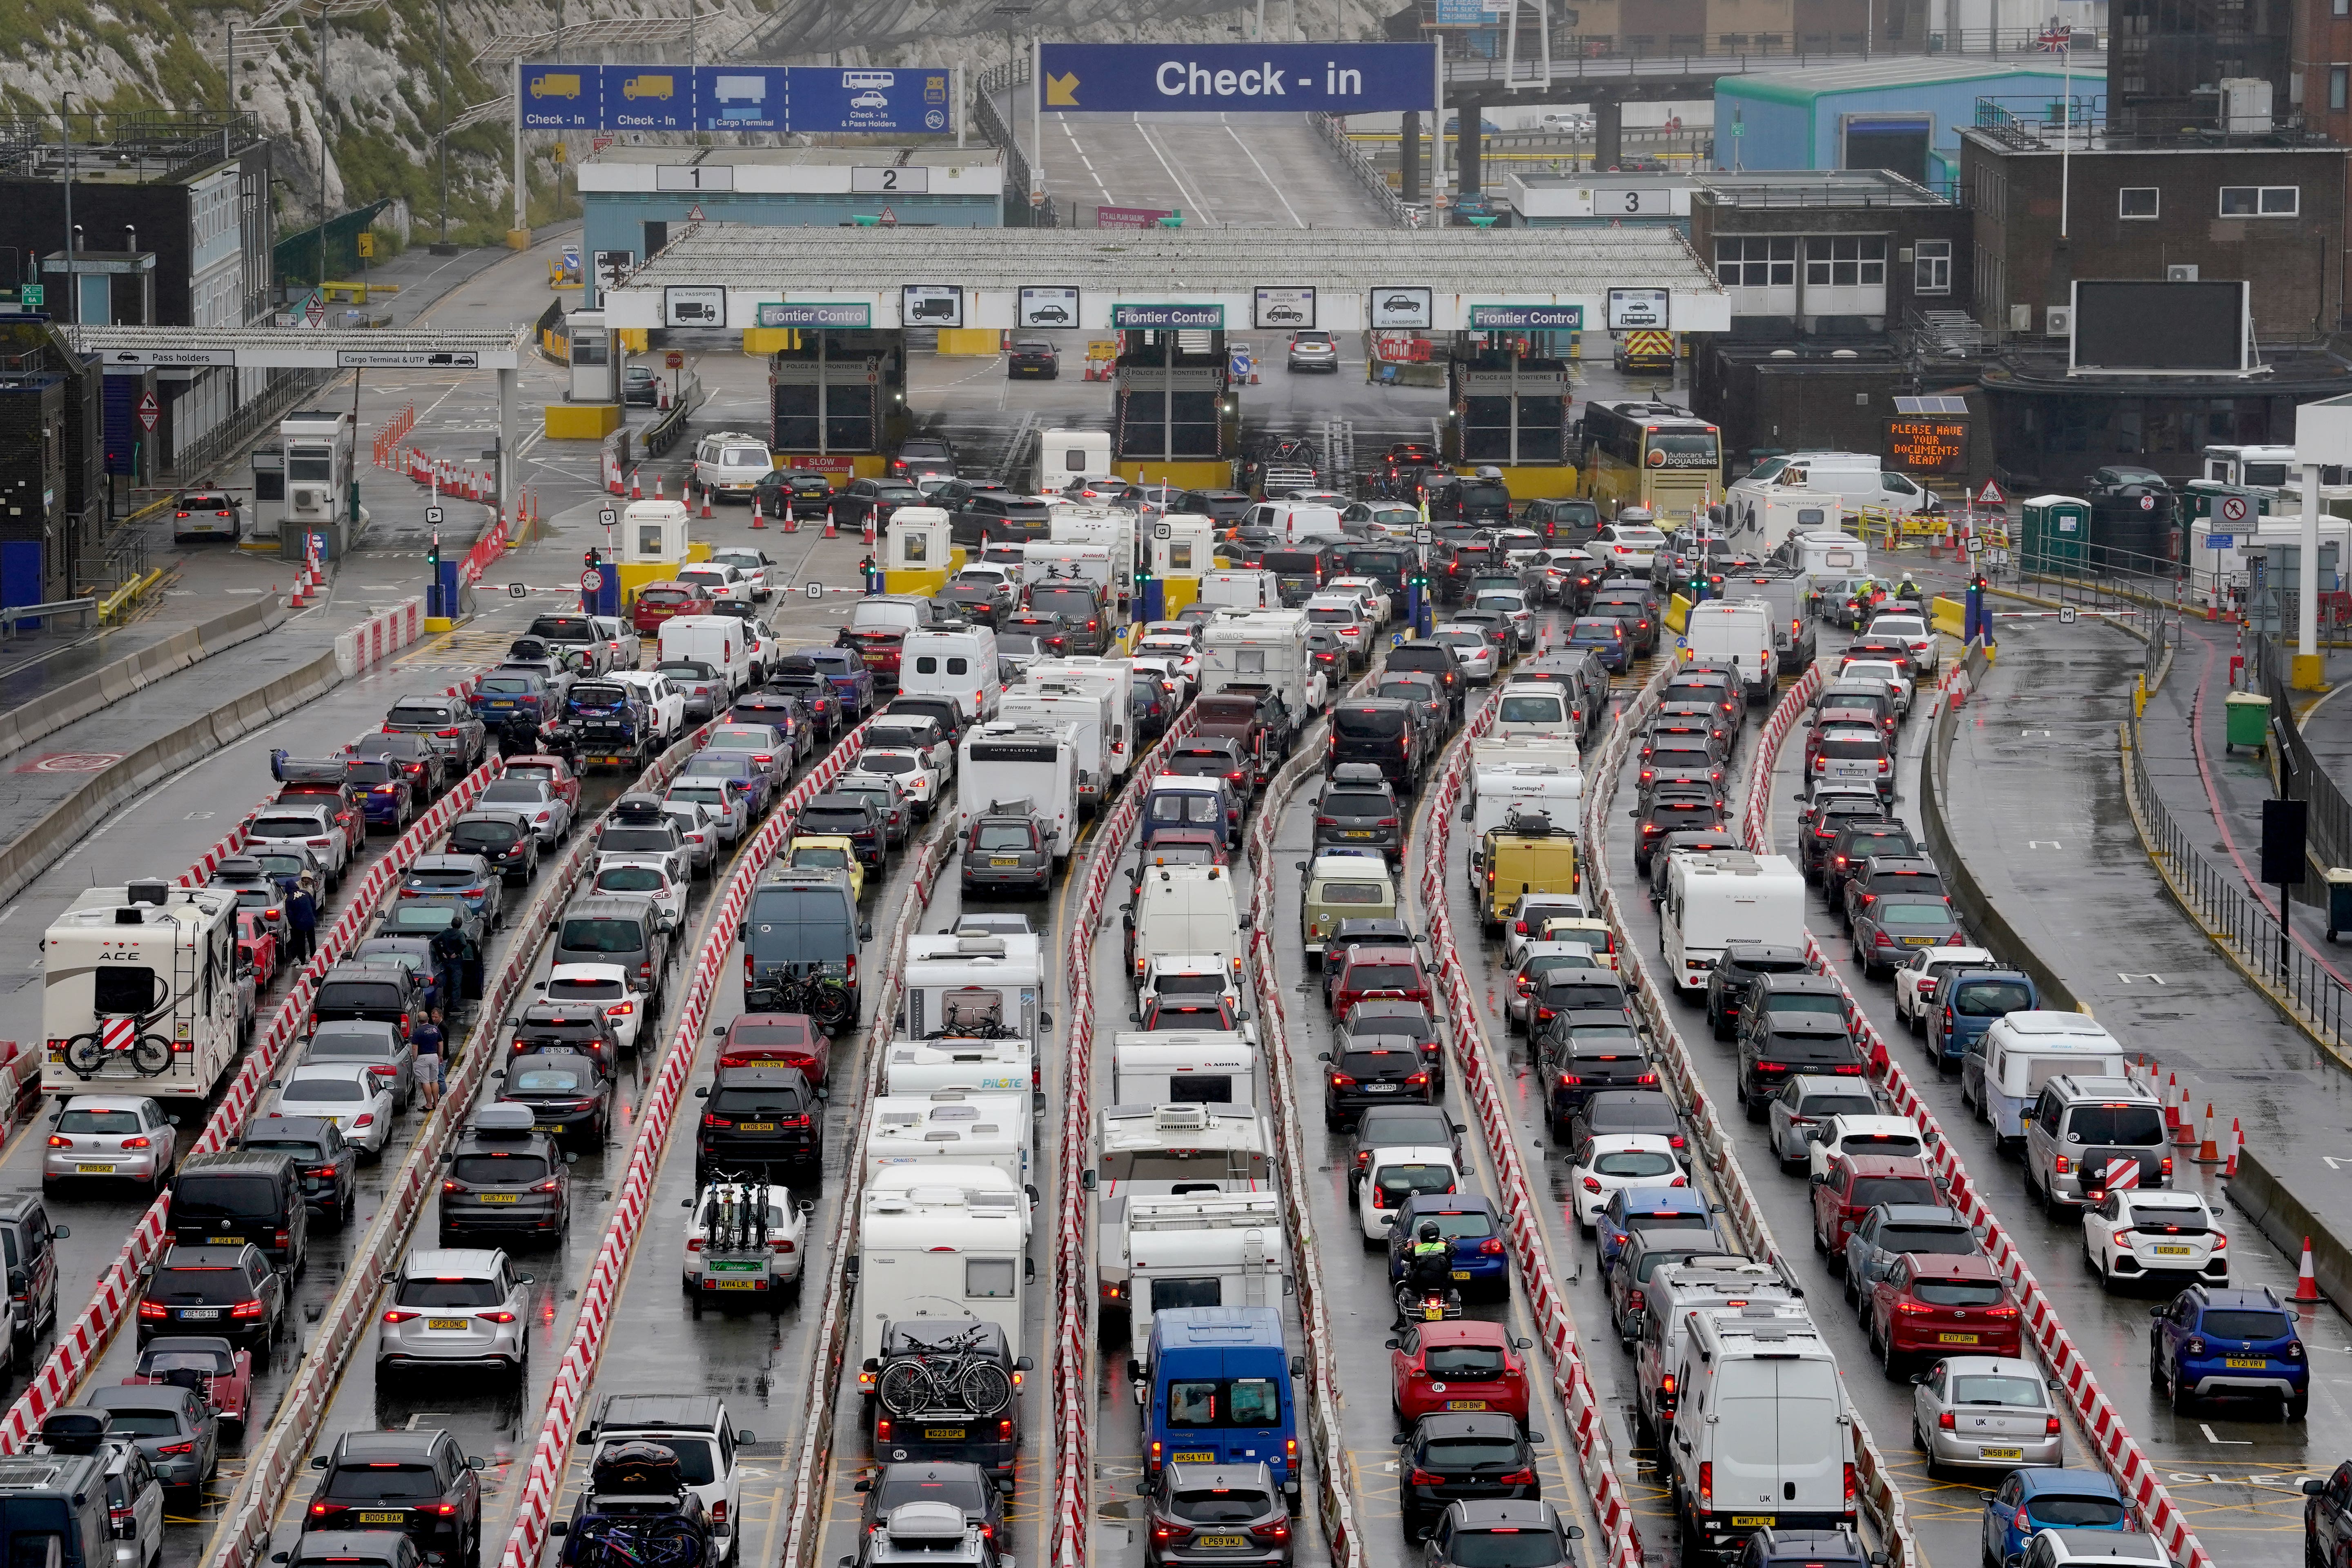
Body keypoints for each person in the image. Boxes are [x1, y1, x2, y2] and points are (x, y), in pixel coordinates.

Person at [1395, 1218, 1453, 1326]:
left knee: (1402, 1287)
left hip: (1421, 1283)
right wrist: (1449, 1243)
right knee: (1451, 1277)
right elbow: (1453, 1252)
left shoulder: (1417, 1249)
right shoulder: (1444, 1247)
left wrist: (1401, 1246)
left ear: (1422, 1236)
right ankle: (1446, 1303)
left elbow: (1405, 1256)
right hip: (1442, 1284)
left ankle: (1401, 1320)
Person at [428, 923, 469, 1016]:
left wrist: (442, 952)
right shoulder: (460, 935)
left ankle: (445, 1002)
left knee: (445, 982)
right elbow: (464, 944)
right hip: (456, 962)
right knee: (457, 984)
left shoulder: (445, 933)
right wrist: (456, 953)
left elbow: (435, 941)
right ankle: (454, 1006)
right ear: (461, 925)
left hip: (446, 962)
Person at [411, 1009, 445, 1110]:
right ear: (428, 1019)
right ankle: (436, 1103)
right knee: (434, 1080)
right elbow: (441, 1043)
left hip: (423, 1057)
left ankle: (429, 1104)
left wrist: (415, 1059)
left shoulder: (417, 1032)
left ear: (418, 1020)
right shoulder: (435, 1029)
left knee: (425, 1081)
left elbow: (415, 1047)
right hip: (434, 1056)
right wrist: (440, 1056)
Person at [285, 874, 319, 964]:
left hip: (299, 924)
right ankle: (313, 957)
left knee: (301, 943)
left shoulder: (289, 899)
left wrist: (294, 926)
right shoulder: (305, 893)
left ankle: (303, 962)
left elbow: (290, 915)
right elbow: (313, 904)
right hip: (310, 921)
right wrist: (313, 916)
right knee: (312, 941)